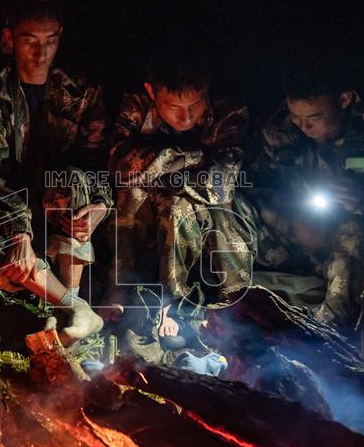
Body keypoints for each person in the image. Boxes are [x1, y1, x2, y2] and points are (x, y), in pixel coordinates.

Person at [0, 0, 111, 344]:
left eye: (50, 40)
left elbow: (96, 161)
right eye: (29, 40)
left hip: (54, 212)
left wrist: (101, 206)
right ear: (9, 39)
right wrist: (19, 231)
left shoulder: (80, 91)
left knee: (73, 179)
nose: (40, 52)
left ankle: (71, 310)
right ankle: (71, 308)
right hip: (10, 208)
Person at [247, 61, 364, 330]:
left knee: (353, 230)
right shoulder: (278, 129)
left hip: (345, 251)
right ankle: (223, 310)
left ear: (344, 100)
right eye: (295, 115)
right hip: (291, 236)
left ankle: (329, 332)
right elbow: (255, 182)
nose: (301, 126)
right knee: (233, 211)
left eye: (313, 118)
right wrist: (286, 211)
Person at [106, 53, 255, 363]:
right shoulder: (136, 105)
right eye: (174, 107)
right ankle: (120, 288)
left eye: (195, 106)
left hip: (206, 213)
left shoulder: (229, 111)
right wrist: (185, 155)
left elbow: (220, 185)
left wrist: (158, 172)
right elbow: (119, 167)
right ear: (151, 92)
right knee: (131, 193)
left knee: (177, 207)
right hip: (147, 206)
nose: (186, 118)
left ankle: (178, 306)